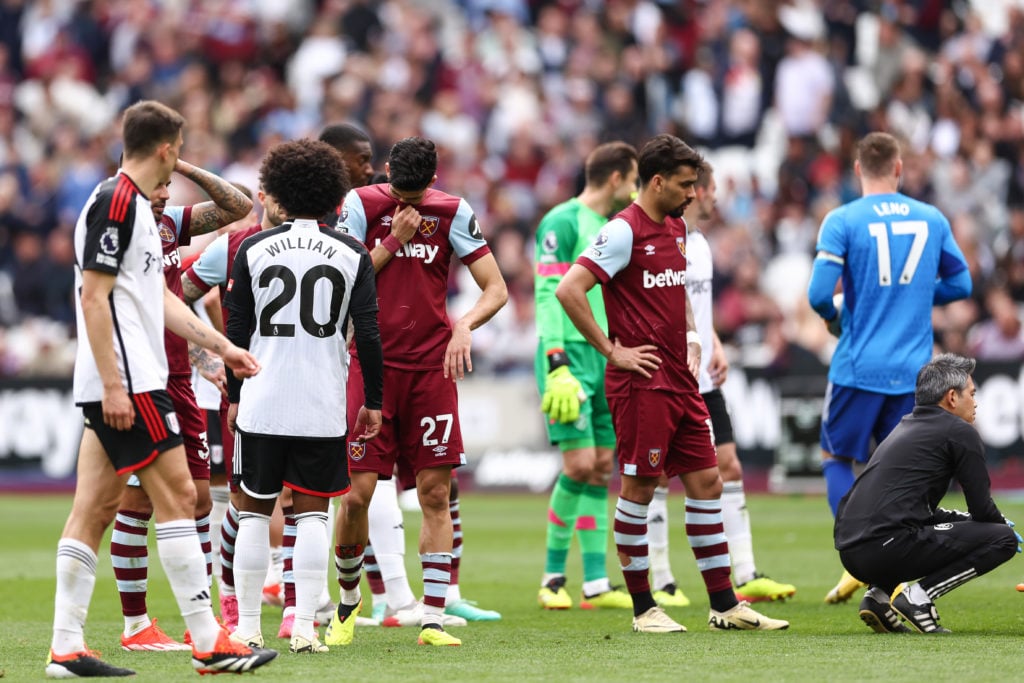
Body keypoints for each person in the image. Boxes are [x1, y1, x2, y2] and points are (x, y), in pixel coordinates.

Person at [47, 99, 276, 678]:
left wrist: (221, 346)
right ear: (168, 149)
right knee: (181, 498)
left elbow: (159, 299)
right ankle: (208, 640)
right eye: (180, 148)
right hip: (131, 380)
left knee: (94, 509)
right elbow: (94, 298)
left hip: (123, 378)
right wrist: (117, 385)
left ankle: (65, 647)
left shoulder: (140, 214)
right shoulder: (116, 204)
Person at [555, 134, 788, 633]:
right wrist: (612, 350)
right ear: (657, 181)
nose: (693, 194)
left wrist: (690, 333)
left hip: (682, 380)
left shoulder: (676, 228)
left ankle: (725, 605)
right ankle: (644, 610)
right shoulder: (622, 232)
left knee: (707, 481)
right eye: (686, 185)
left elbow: (675, 285)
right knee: (639, 488)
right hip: (641, 383)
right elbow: (569, 289)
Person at [328, 136, 508, 647]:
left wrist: (465, 324)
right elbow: (342, 279)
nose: (406, 204)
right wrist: (391, 242)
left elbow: (495, 288)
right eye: (398, 192)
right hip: (372, 365)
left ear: (433, 181)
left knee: (434, 492)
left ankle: (431, 617)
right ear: (385, 173)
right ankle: (347, 603)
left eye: (416, 194)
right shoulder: (362, 204)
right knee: (358, 496)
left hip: (432, 368)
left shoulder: (453, 211)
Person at [223, 139, 384, 655]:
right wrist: (374, 401)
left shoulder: (252, 248)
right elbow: (369, 334)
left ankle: (246, 628)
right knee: (313, 516)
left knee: (252, 511)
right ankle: (306, 630)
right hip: (321, 401)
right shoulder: (352, 252)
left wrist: (232, 395)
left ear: (280, 194)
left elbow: (237, 331)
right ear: (336, 195)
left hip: (262, 398)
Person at [808, 132, 973, 605]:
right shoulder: (931, 217)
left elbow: (819, 295)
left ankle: (857, 560)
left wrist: (839, 319)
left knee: (837, 458)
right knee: (910, 475)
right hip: (915, 374)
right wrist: (918, 297)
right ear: (899, 169)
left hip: (858, 368)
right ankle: (901, 571)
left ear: (858, 170)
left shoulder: (841, 219)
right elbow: (960, 283)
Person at [111, 158, 254, 652]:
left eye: (169, 183)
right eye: (157, 183)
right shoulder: (120, 233)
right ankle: (136, 626)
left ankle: (203, 617)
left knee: (196, 497)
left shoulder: (171, 225)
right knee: (139, 500)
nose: (165, 192)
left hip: (180, 377)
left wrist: (200, 353)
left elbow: (239, 204)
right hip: (141, 378)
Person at [645, 161, 796, 604]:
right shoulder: (660, 239)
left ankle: (747, 573)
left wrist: (714, 342)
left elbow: (697, 307)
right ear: (696, 192)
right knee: (655, 476)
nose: (713, 198)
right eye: (707, 190)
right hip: (669, 376)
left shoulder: (703, 245)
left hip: (705, 379)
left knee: (728, 466)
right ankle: (662, 580)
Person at [835, 353, 1019, 633]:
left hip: (851, 553)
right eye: (972, 393)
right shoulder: (960, 431)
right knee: (1002, 540)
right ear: (952, 398)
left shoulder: (905, 426)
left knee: (913, 528)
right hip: (884, 548)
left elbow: (918, 512)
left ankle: (878, 598)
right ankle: (919, 598)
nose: (976, 401)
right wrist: (1000, 526)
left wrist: (966, 521)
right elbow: (982, 509)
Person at [533, 141, 637, 611]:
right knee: (577, 466)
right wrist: (555, 360)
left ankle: (595, 582)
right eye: (634, 180)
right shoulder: (562, 221)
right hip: (569, 357)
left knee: (600, 467)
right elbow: (549, 291)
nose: (635, 190)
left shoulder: (616, 227)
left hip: (605, 353)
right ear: (616, 178)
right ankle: (553, 578)